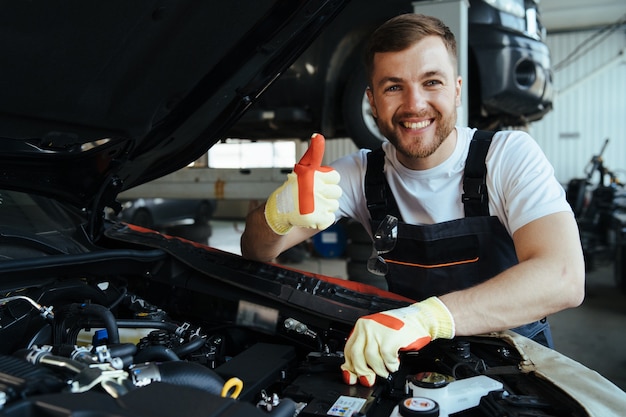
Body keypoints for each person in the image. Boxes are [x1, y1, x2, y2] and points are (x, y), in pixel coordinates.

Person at [240, 13, 585, 388]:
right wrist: (277, 213)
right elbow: (255, 252)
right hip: (415, 368)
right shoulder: (359, 174)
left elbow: (563, 278)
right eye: (393, 87)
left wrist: (426, 319)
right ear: (371, 100)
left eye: (431, 82)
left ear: (456, 89)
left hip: (518, 367)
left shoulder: (505, 157)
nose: (414, 104)